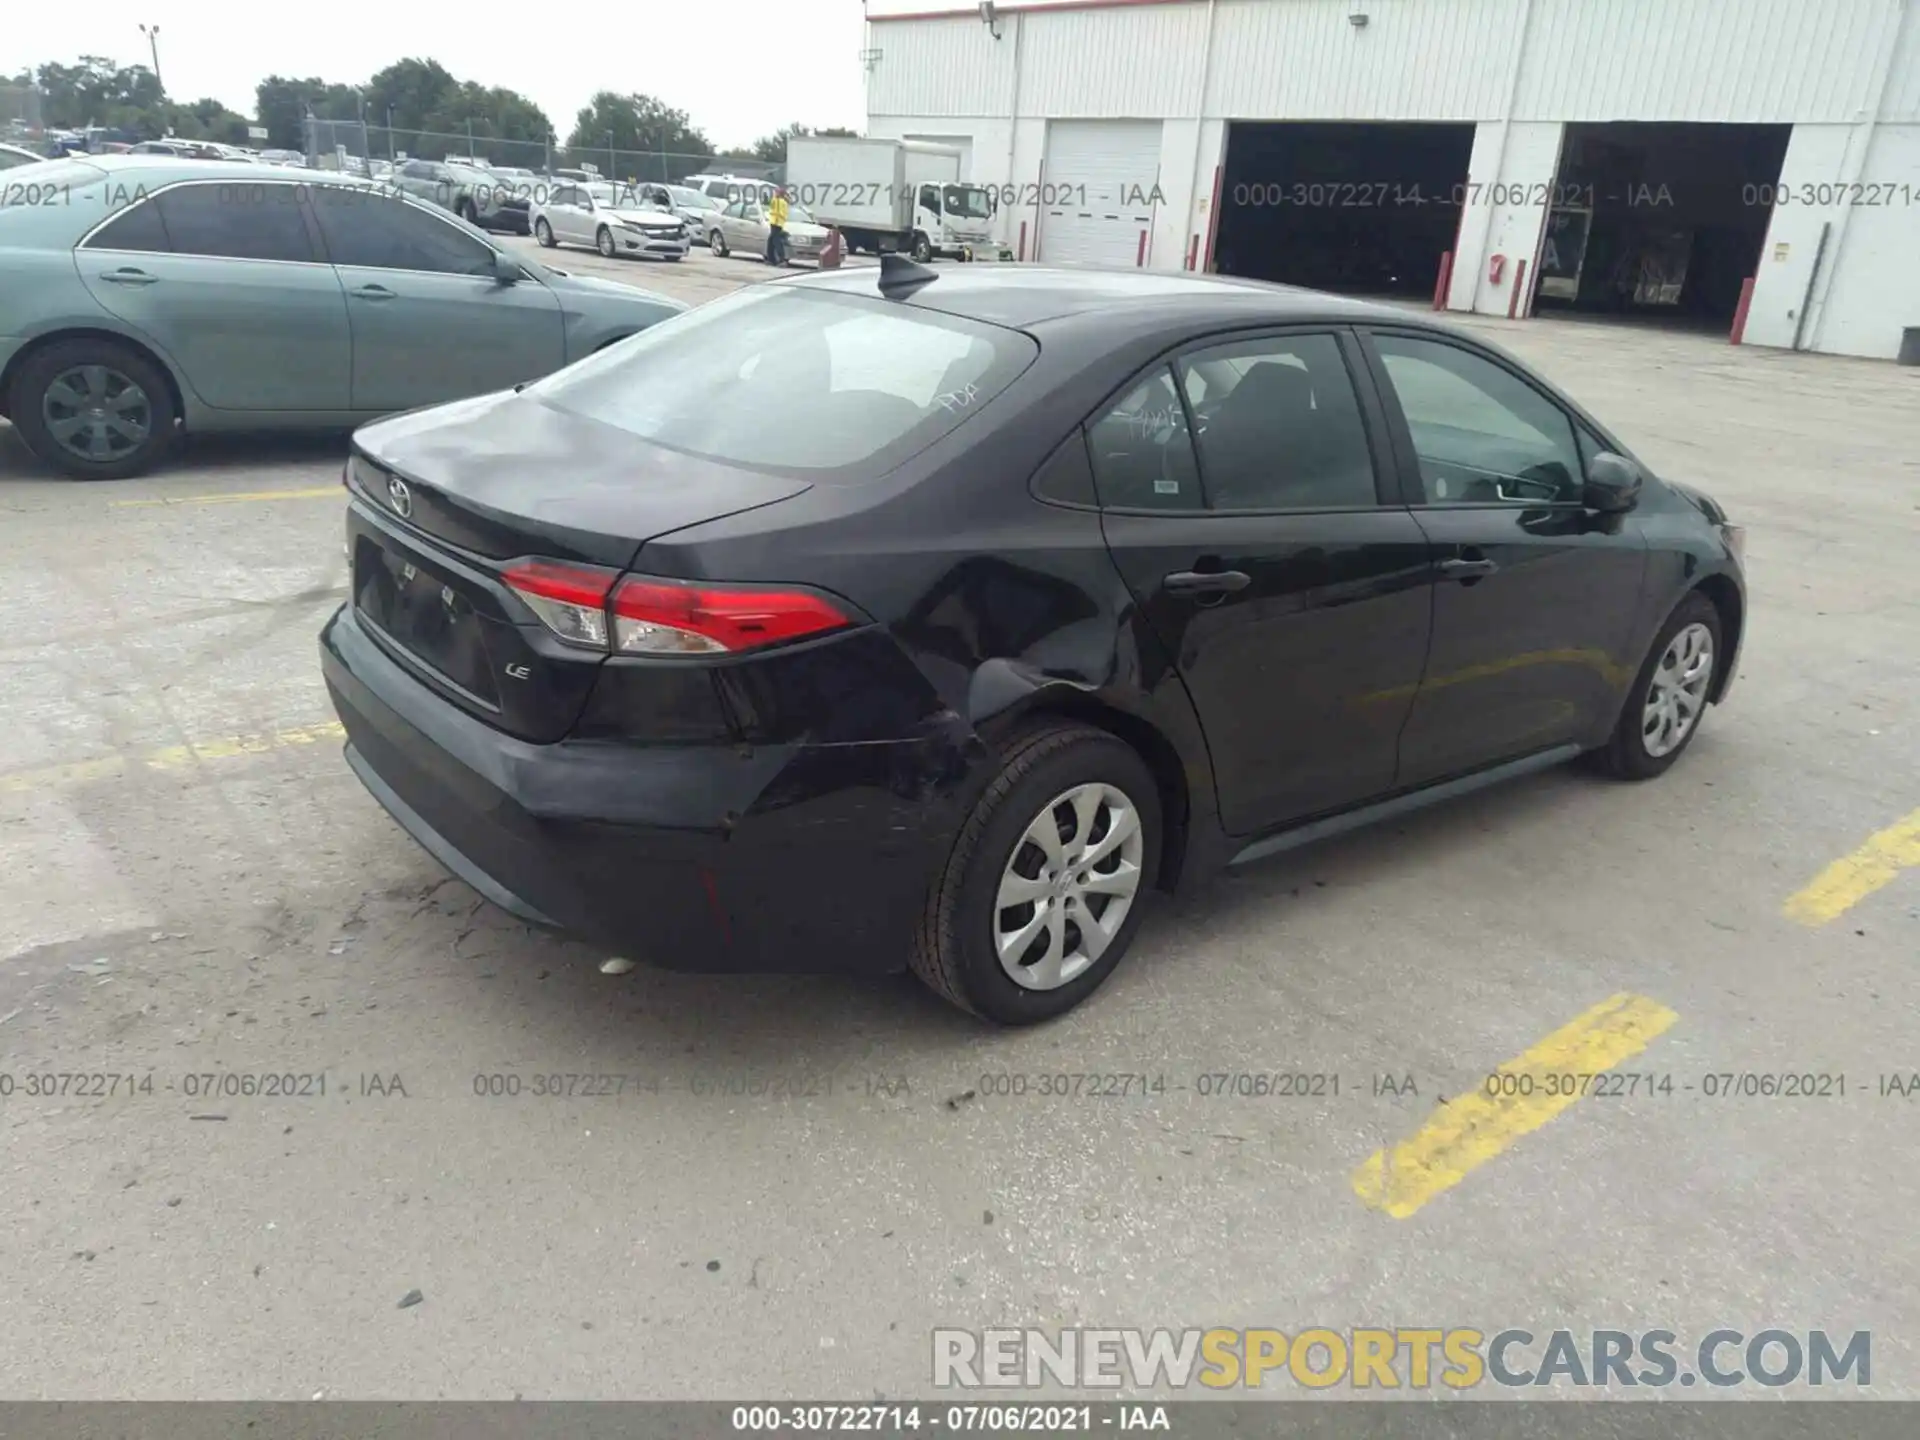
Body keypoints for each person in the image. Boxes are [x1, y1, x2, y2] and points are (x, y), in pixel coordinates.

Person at [765, 186, 790, 267]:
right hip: (774, 222)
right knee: (771, 241)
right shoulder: (776, 200)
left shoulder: (781, 201)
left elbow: (780, 213)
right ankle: (771, 259)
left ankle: (781, 259)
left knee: (776, 241)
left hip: (777, 223)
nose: (775, 193)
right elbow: (770, 205)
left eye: (776, 192)